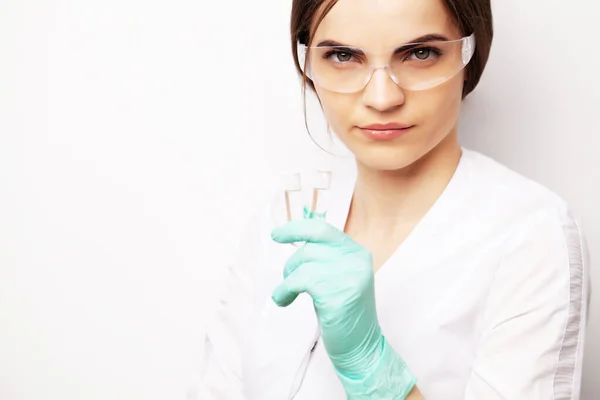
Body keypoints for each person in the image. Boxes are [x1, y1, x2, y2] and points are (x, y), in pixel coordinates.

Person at [189, 0, 591, 398]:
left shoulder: (529, 235)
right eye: (343, 56)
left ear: (471, 56)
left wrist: (373, 369)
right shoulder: (286, 215)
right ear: (308, 63)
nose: (382, 99)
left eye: (420, 53)